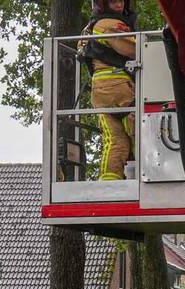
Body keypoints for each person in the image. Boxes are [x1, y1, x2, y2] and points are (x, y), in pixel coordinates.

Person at [79, 0, 137, 181]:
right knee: (139, 133)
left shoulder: (90, 27)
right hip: (119, 89)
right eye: (113, 1)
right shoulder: (110, 25)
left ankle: (109, 182)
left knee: (115, 141)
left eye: (121, 0)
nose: (119, 5)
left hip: (100, 92)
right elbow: (134, 49)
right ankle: (144, 176)